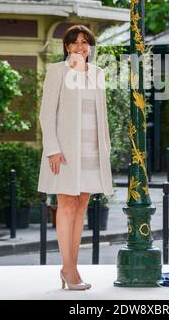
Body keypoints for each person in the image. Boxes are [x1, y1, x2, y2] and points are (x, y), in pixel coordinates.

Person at [38, 25, 113, 290]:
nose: (80, 46)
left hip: (91, 151)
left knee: (82, 205)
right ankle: (68, 269)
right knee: (66, 204)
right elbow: (47, 113)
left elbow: (101, 116)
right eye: (75, 42)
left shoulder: (98, 73)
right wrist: (52, 149)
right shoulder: (57, 71)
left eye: (85, 41)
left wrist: (105, 148)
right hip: (66, 152)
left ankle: (72, 268)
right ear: (67, 47)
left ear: (90, 46)